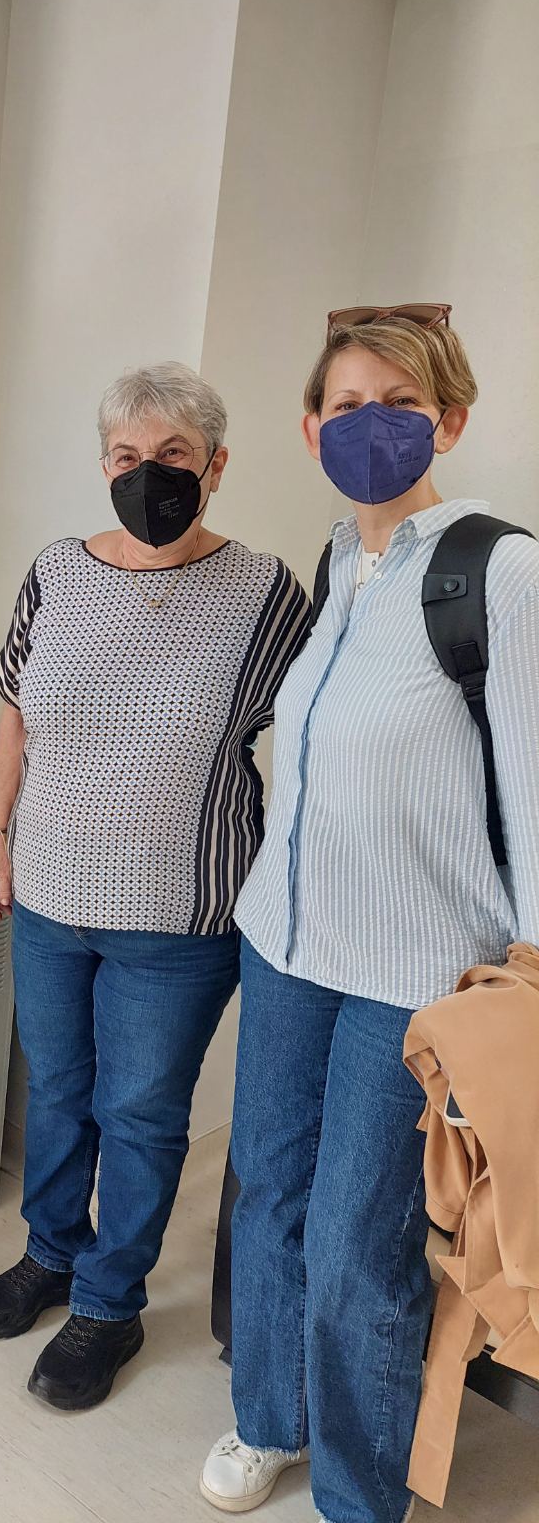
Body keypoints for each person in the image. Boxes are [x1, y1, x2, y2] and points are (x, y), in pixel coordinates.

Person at [200, 308, 539, 1523]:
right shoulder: (339, 561)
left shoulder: (502, 572)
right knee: (268, 1195)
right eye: (346, 405)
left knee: (359, 1240)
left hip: (415, 971)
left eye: (400, 402)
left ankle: (355, 1494)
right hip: (288, 943)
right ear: (310, 429)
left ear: (450, 417)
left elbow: (537, 785)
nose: (369, 424)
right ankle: (268, 1418)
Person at [0, 363, 310, 1411]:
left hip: (180, 915)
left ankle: (110, 1304)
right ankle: (51, 1252)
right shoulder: (56, 571)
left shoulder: (266, 592)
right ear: (103, 463)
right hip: (47, 891)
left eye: (172, 456)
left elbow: (310, 736)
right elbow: (17, 710)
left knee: (141, 1113)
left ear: (216, 465)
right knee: (58, 1091)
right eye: (127, 456)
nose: (147, 475)